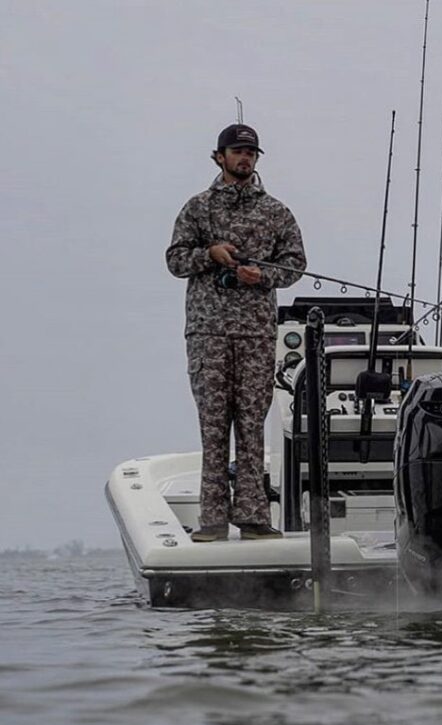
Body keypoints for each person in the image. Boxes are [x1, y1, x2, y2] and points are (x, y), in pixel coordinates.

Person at [166, 123, 306, 542]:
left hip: (257, 334)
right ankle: (211, 519)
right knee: (212, 425)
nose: (245, 158)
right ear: (219, 157)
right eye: (237, 151)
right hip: (208, 332)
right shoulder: (198, 208)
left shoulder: (276, 212)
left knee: (251, 424)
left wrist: (259, 274)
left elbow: (295, 263)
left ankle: (252, 516)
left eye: (251, 153)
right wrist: (210, 254)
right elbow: (175, 260)